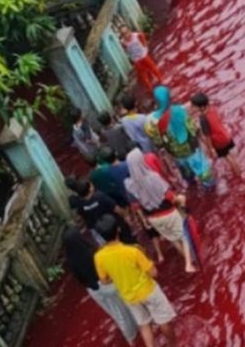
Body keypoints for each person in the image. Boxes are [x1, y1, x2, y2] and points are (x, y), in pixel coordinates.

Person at [94, 215, 178, 347]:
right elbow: (154, 273)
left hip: (129, 297)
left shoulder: (98, 257)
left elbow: (104, 281)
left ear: (101, 237)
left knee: (144, 325)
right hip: (148, 291)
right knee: (163, 321)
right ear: (118, 230)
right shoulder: (133, 251)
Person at [64, 228, 139, 345]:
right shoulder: (93, 252)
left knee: (115, 313)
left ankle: (131, 336)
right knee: (126, 305)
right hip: (107, 284)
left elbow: (80, 280)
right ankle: (136, 330)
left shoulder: (72, 261)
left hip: (94, 290)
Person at [124, 149, 195, 273]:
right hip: (168, 212)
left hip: (153, 218)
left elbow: (135, 206)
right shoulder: (153, 177)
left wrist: (144, 220)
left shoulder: (129, 184)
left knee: (173, 239)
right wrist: (180, 199)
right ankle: (190, 262)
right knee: (184, 236)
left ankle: (187, 259)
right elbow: (168, 195)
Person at [144, 86, 214, 187]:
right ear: (169, 97)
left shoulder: (150, 121)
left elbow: (158, 142)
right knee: (205, 174)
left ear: (156, 101)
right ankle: (209, 187)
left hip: (175, 154)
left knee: (187, 174)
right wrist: (206, 144)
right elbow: (193, 130)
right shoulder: (180, 111)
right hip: (191, 149)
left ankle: (191, 183)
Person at [67, 176, 136, 244]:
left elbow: (82, 217)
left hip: (100, 231)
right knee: (128, 242)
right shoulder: (100, 196)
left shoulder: (79, 204)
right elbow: (116, 209)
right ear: (90, 189)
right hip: (115, 225)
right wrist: (125, 216)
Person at [190, 92, 242, 177]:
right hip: (225, 135)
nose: (192, 108)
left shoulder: (203, 119)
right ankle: (238, 170)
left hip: (219, 141)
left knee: (227, 157)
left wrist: (210, 150)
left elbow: (207, 137)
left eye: (194, 106)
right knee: (230, 155)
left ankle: (238, 174)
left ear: (202, 107)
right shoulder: (212, 109)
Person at [119, 24, 163, 92]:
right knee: (143, 76)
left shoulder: (137, 35)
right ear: (122, 35)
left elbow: (144, 41)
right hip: (137, 61)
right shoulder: (123, 42)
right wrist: (132, 58)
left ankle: (161, 81)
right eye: (123, 34)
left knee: (153, 68)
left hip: (144, 56)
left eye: (127, 32)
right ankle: (150, 89)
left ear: (130, 30)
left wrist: (145, 49)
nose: (126, 35)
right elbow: (126, 49)